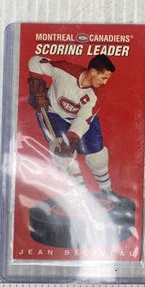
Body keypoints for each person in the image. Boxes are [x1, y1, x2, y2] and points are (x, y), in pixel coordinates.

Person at [27, 54, 117, 197]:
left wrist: (72, 141)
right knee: (62, 155)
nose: (105, 82)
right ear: (93, 71)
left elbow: (83, 119)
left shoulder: (98, 94)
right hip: (54, 113)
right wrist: (36, 88)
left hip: (81, 119)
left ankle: (108, 191)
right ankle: (81, 195)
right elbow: (35, 61)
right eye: (104, 77)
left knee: (97, 157)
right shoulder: (65, 70)